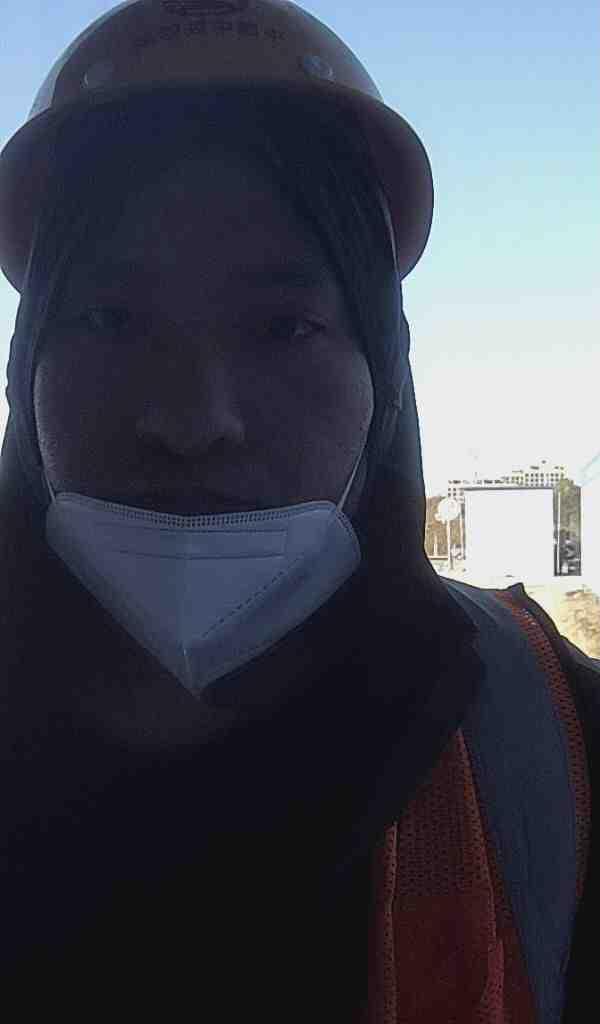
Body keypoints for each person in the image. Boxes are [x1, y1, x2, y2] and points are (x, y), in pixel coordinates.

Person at [0, 2, 598, 1020]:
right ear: (26, 373)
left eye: (282, 326)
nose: (194, 419)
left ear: (384, 380)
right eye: (109, 319)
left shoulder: (558, 743)